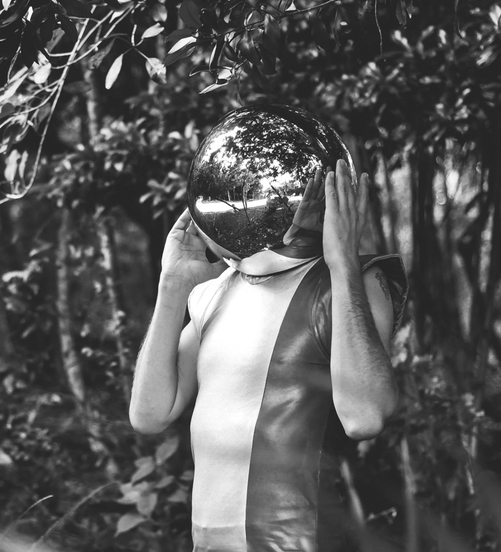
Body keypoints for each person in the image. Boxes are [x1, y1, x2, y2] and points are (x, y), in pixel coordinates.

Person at [128, 106, 406, 551]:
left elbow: (365, 416)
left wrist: (343, 264)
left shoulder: (350, 282)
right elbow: (149, 414)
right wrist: (172, 286)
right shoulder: (215, 292)